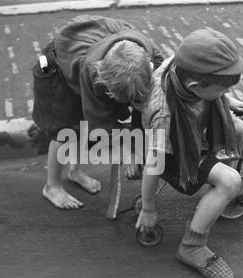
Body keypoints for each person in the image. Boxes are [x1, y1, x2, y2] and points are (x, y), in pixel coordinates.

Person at [135, 28, 243, 278]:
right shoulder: (165, 116)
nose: (223, 94)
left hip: (188, 136)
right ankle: (192, 246)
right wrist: (149, 207)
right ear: (196, 87)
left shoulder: (180, 65)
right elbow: (153, 164)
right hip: (174, 157)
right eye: (222, 89)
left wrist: (226, 100)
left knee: (238, 128)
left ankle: (215, 187)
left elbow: (211, 90)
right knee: (231, 181)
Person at [32, 15, 165, 210]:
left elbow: (153, 92)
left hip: (90, 52)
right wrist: (129, 152)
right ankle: (52, 186)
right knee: (64, 129)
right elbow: (101, 125)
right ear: (104, 84)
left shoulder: (151, 55)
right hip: (57, 71)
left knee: (80, 125)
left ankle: (74, 171)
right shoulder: (92, 72)